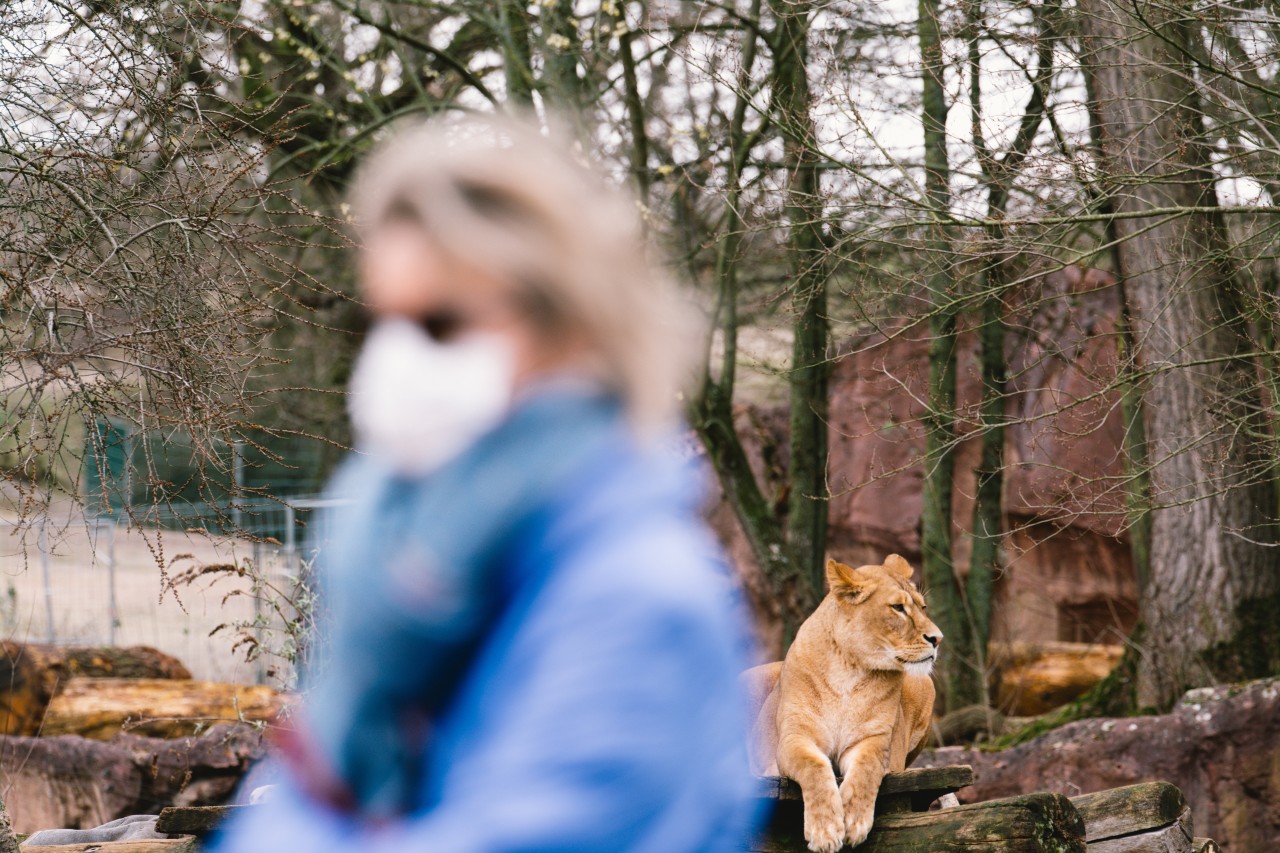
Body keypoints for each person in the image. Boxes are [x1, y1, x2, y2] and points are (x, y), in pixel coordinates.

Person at [209, 113, 763, 853]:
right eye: (383, 323)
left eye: (440, 323)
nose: (402, 358)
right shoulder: (418, 569)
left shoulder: (640, 601)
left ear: (570, 324)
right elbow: (300, 797)